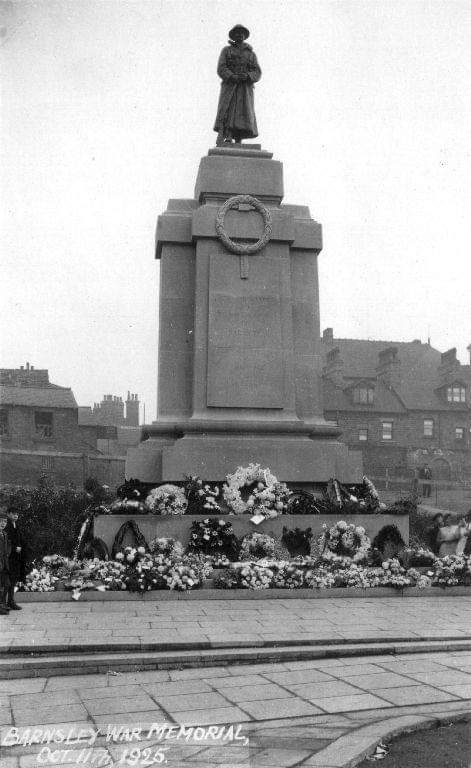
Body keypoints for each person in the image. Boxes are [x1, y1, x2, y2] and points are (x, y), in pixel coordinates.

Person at [214, 24, 261, 145]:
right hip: (230, 86)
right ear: (233, 35)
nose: (239, 35)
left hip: (245, 88)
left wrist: (248, 76)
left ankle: (239, 137)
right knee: (229, 110)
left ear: (245, 36)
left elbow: (257, 72)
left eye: (242, 33)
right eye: (237, 33)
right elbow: (221, 67)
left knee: (243, 112)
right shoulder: (227, 50)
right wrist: (231, 76)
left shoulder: (251, 54)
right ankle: (228, 134)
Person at [5, 505, 26, 610]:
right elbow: (5, 542)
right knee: (7, 581)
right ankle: (5, 603)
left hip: (16, 557)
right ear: (8, 514)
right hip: (8, 557)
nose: (16, 516)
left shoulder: (16, 525)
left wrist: (21, 547)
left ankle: (11, 601)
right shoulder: (6, 525)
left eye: (17, 514)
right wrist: (14, 548)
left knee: (13, 580)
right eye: (13, 514)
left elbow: (20, 539)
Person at [0, 509, 11, 615]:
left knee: (7, 584)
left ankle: (2, 604)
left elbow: (8, 547)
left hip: (4, 564)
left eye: (5, 522)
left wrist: (7, 555)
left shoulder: (5, 534)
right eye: (1, 521)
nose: (3, 524)